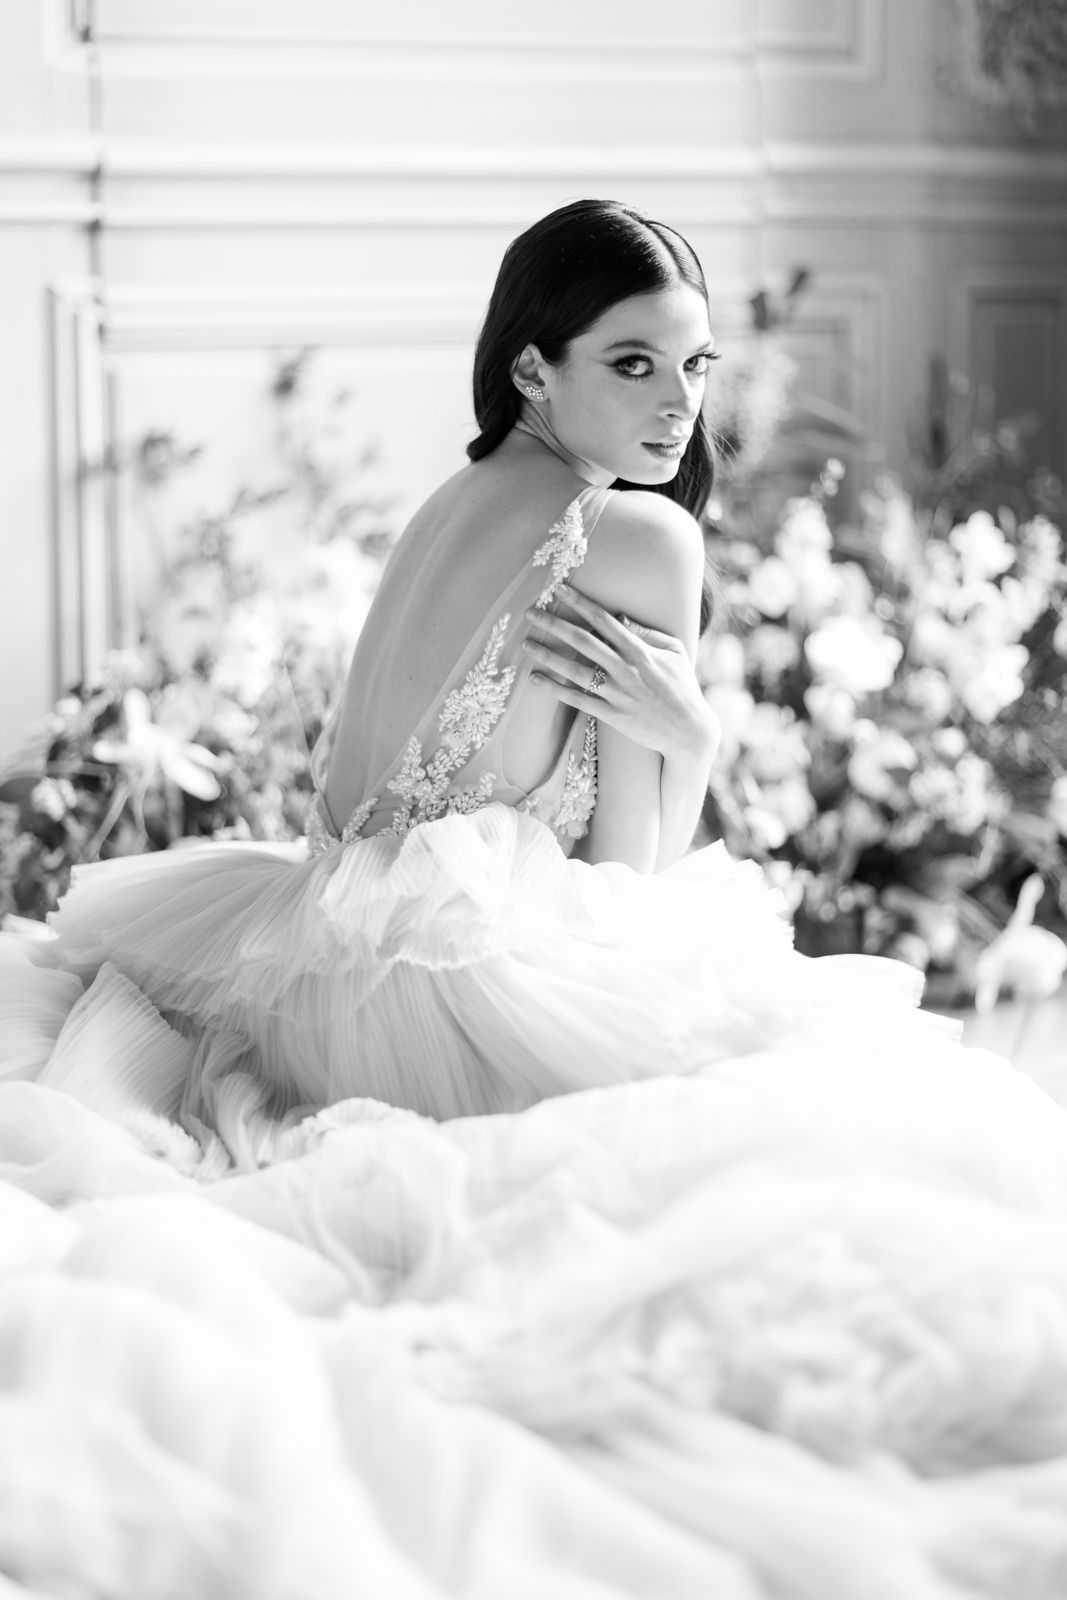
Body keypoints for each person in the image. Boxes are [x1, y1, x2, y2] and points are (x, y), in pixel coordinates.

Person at [3, 199, 1067, 1598]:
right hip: (453, 984)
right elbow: (628, 876)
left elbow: (358, 811)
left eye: (696, 368)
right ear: (532, 368)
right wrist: (686, 736)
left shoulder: (453, 502)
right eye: (632, 364)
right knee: (816, 1112)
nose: (678, 405)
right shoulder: (637, 540)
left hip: (300, 957)